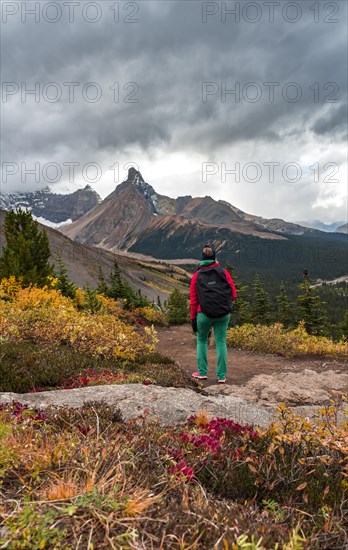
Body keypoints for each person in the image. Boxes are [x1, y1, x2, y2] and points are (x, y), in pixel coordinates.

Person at [190, 245, 237, 383]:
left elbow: (193, 301)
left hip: (203, 314)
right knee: (221, 342)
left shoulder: (196, 276)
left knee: (202, 340)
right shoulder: (224, 272)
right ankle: (221, 376)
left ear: (202, 259)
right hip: (223, 313)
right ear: (214, 258)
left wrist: (193, 319)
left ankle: (202, 372)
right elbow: (233, 294)